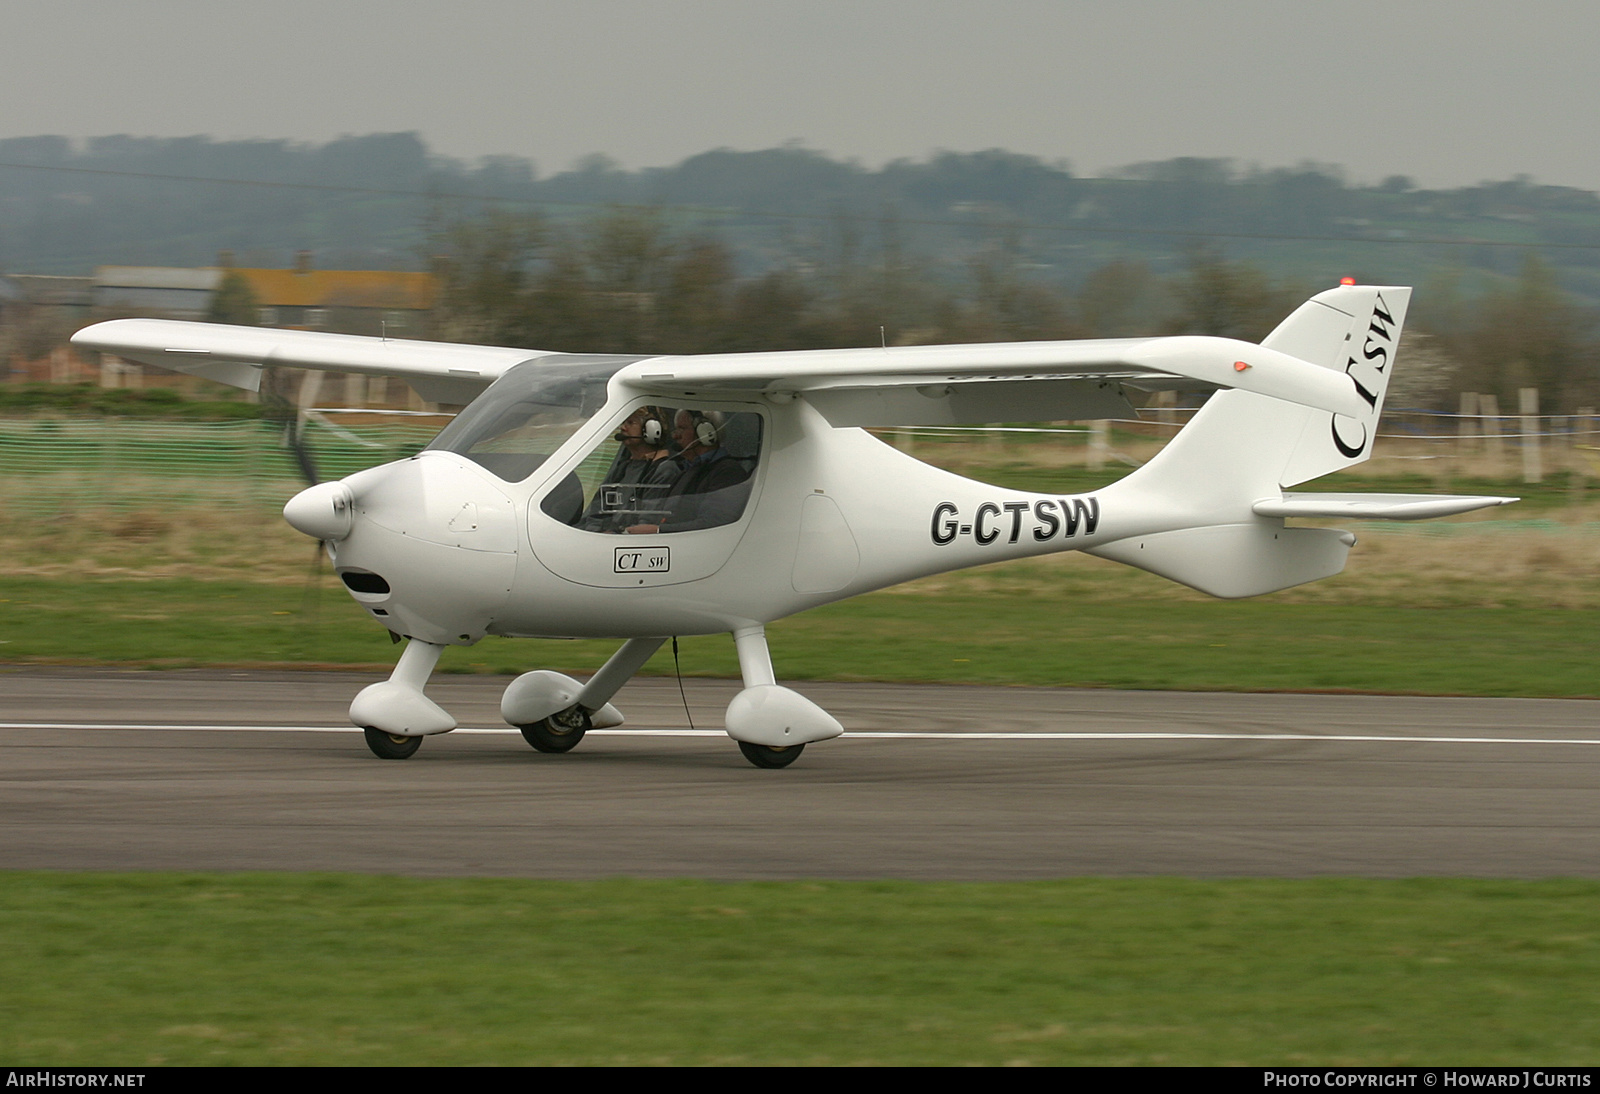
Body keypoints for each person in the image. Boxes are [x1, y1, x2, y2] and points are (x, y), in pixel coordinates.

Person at [626, 409, 753, 534]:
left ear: (705, 433)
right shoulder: (688, 469)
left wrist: (659, 530)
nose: (675, 435)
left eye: (682, 428)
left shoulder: (727, 472)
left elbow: (715, 523)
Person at [580, 405, 680, 533]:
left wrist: (615, 533)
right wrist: (593, 532)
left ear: (652, 430)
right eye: (623, 423)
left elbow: (647, 520)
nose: (623, 428)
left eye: (630, 423)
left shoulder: (664, 469)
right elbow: (598, 509)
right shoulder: (623, 468)